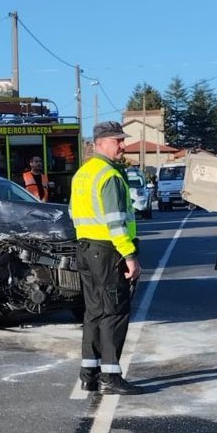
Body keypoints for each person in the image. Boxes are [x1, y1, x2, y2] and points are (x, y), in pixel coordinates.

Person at [69, 121, 143, 395]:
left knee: (94, 312)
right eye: (117, 141)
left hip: (86, 249)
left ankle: (89, 374)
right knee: (114, 311)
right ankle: (110, 376)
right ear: (99, 144)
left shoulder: (82, 174)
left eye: (122, 140)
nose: (122, 145)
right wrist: (130, 256)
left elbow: (73, 214)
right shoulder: (109, 175)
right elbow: (116, 223)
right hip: (108, 251)